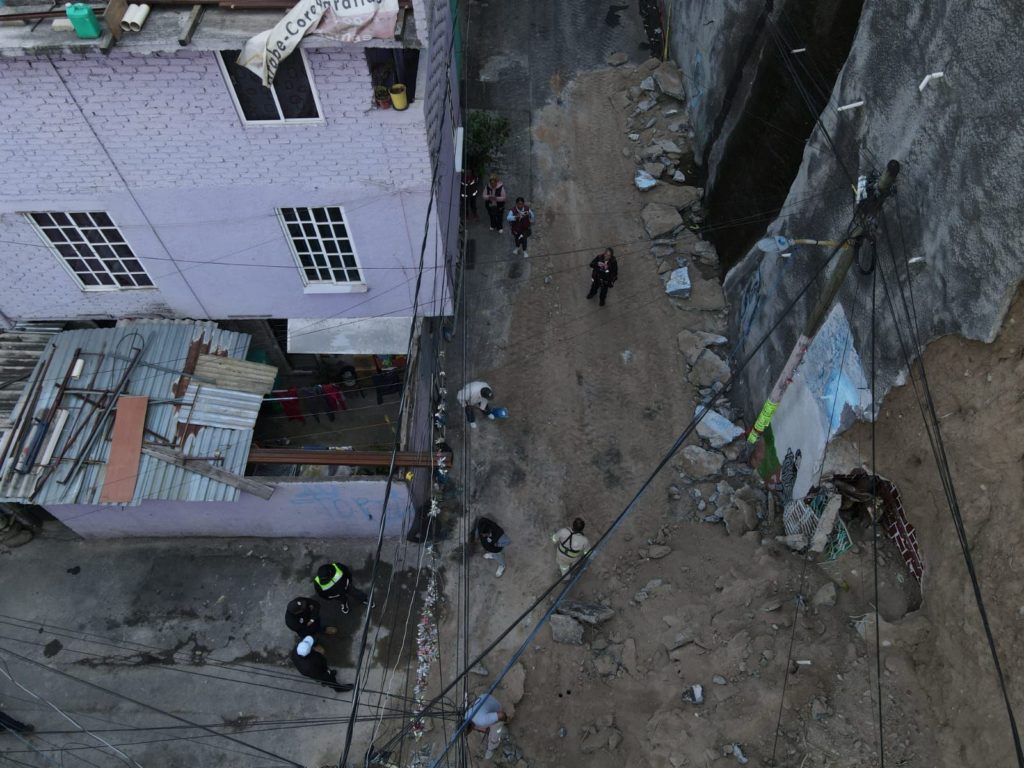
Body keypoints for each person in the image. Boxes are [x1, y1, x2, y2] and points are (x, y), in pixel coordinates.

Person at [466, 693, 508, 759]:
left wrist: (504, 720)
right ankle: (490, 725)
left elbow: (502, 715)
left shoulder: (482, 720)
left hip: (496, 707)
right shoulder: (466, 716)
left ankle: (492, 747)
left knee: (495, 733)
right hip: (484, 697)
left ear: (471, 729)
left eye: (467, 733)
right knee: (485, 724)